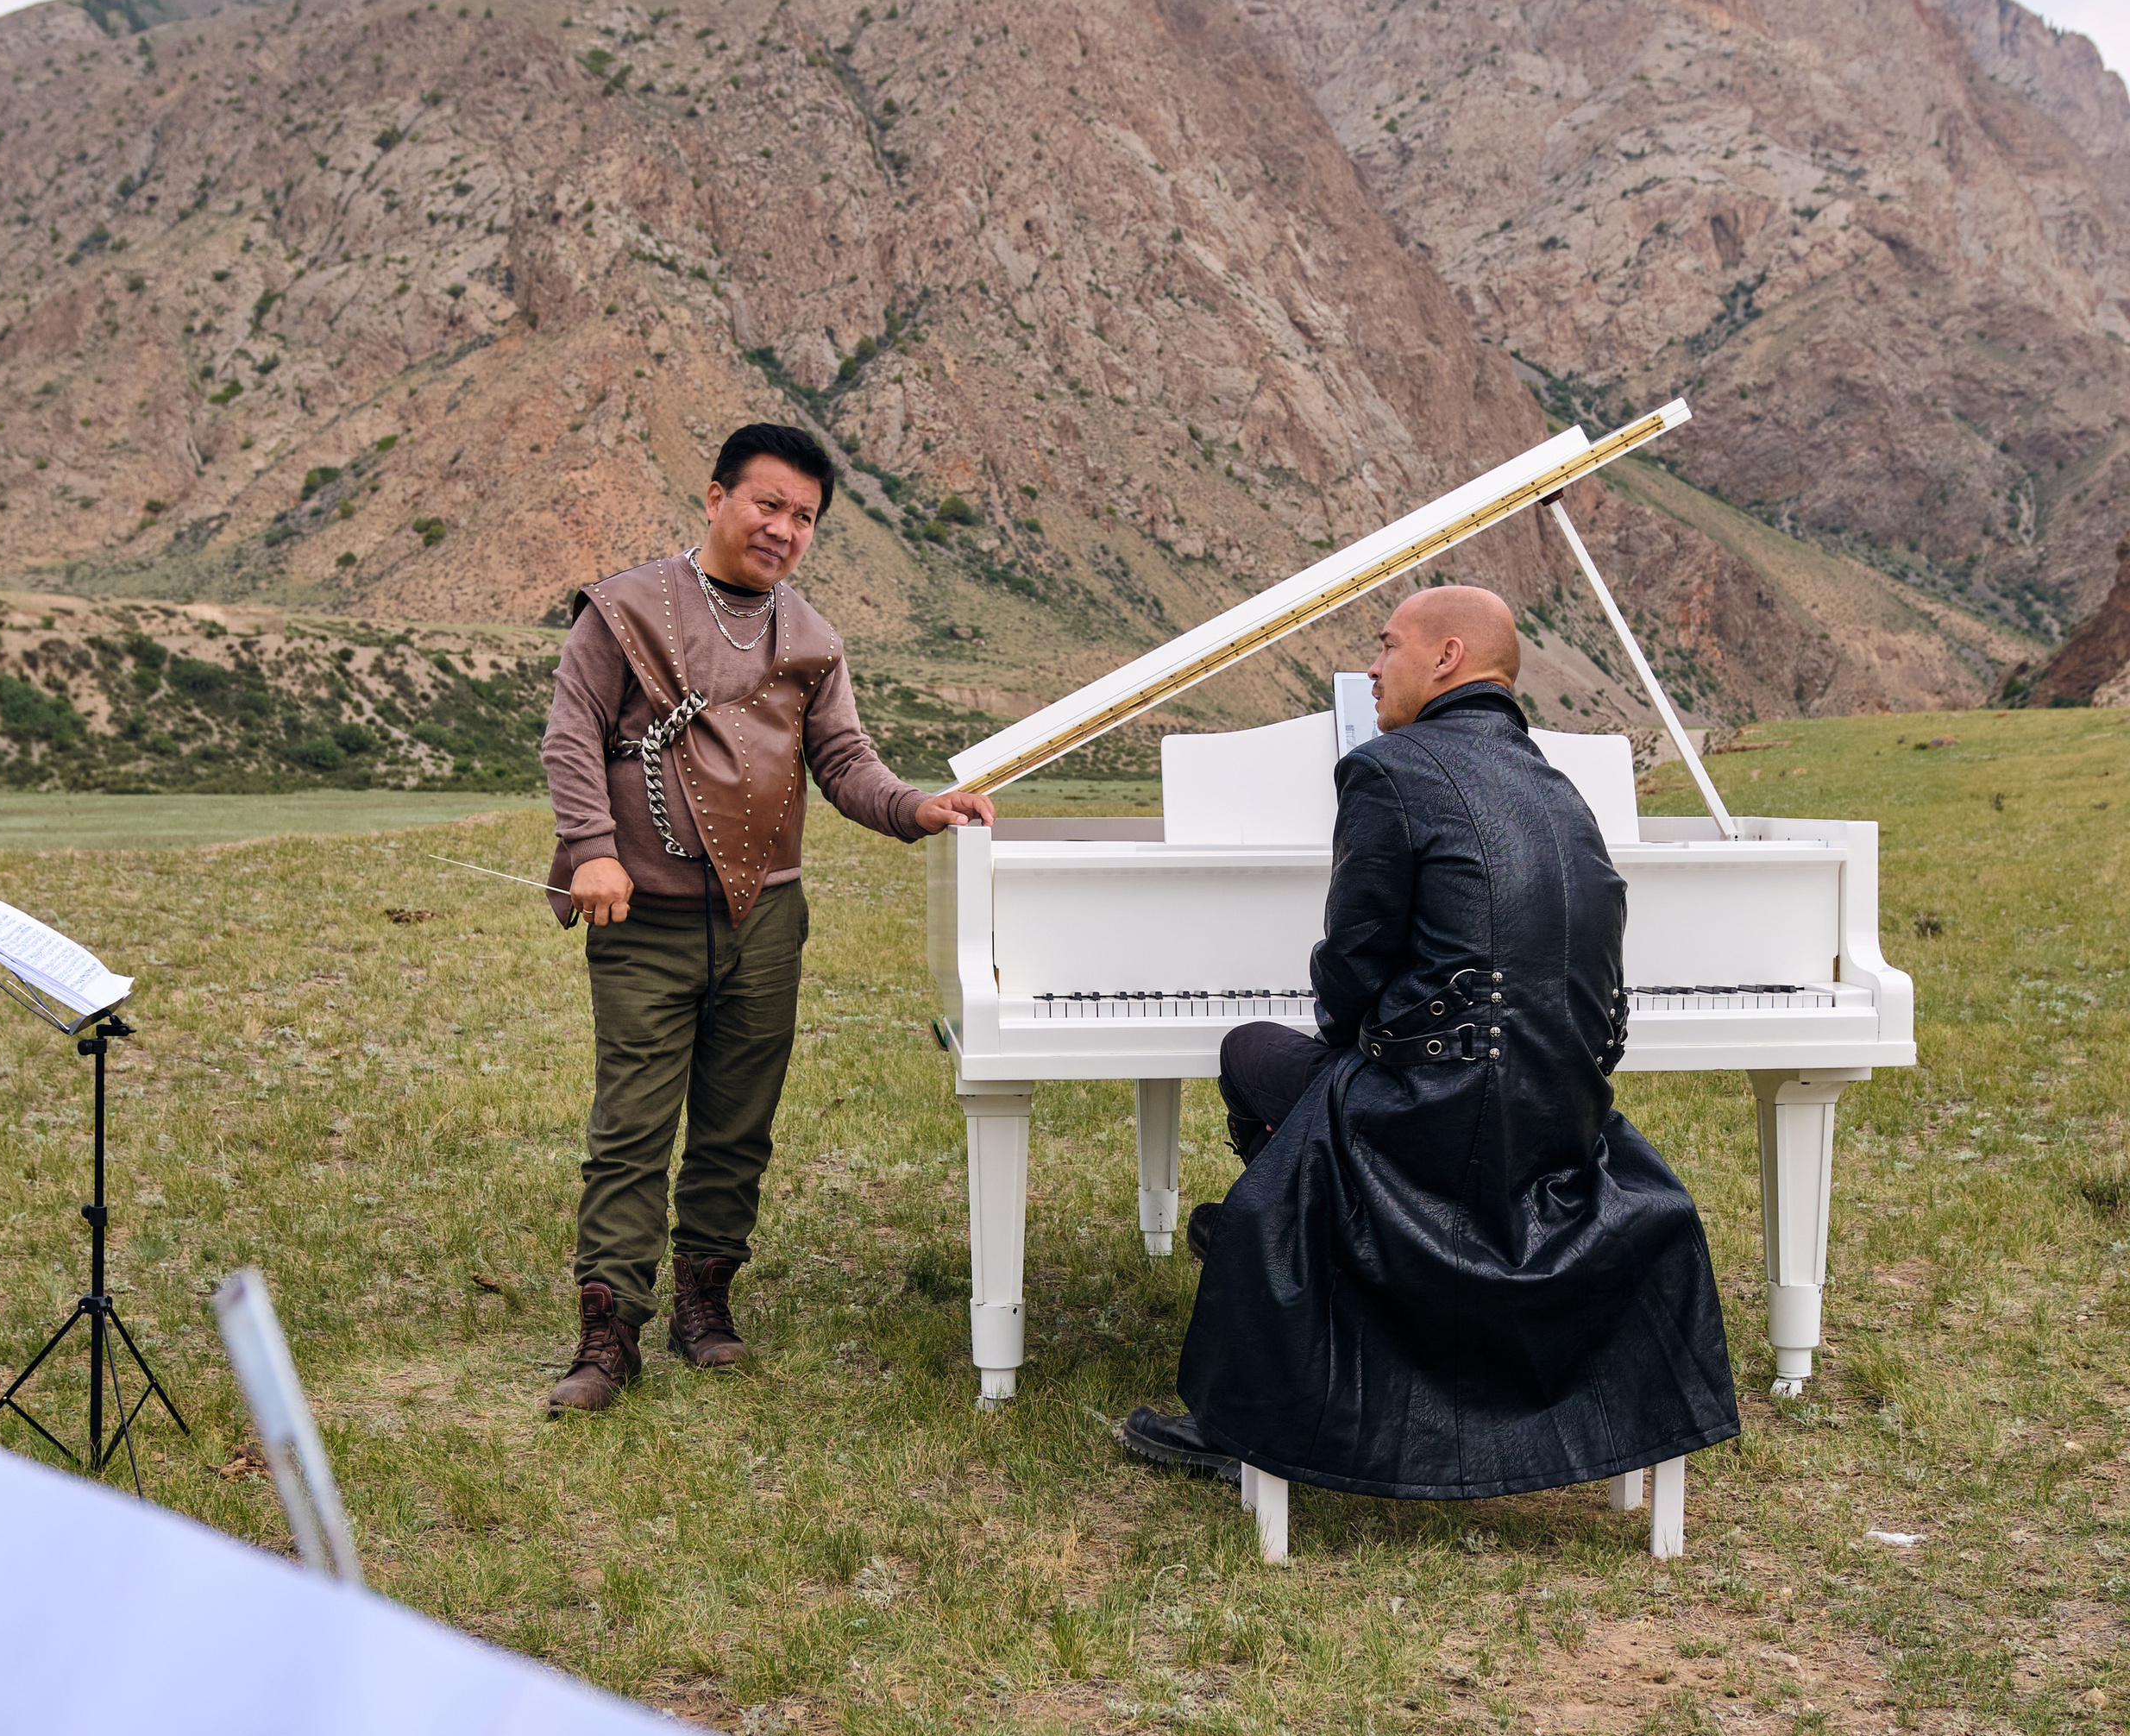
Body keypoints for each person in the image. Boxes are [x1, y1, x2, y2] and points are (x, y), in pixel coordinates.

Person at [1122, 581, 1739, 1500]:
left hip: (1428, 1125)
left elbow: (1352, 966)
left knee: (1250, 1052)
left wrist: (1357, 1044)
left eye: (1387, 645)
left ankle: (1304, 1293)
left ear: (1447, 657)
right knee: (1315, 1095)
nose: (1371, 669)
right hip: (1556, 1124)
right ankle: (1301, 1248)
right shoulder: (1559, 790)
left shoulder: (1388, 769)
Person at [541, 421, 994, 1411]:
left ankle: (704, 1303)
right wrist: (593, 849)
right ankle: (608, 1332)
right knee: (631, 1127)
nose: (784, 528)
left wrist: (917, 808)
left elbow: (844, 760)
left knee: (738, 1126)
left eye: (805, 516)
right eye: (769, 503)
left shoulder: (814, 639)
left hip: (766, 921)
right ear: (716, 498)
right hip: (643, 918)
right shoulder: (621, 611)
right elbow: (571, 736)